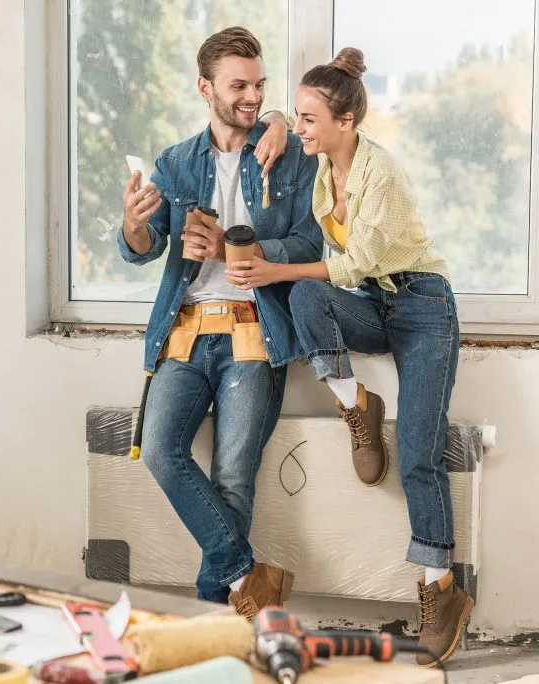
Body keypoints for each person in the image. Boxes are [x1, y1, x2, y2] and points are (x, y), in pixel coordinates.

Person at [225, 48, 471, 665]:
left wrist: (271, 269)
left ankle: (440, 589)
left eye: (311, 120)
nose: (300, 130)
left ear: (346, 123)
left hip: (422, 308)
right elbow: (278, 118)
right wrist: (280, 118)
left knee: (418, 452)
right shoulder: (319, 162)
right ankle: (355, 403)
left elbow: (353, 262)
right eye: (300, 119)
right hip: (372, 304)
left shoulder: (378, 175)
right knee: (308, 296)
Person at [119, 26, 322, 619]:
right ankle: (247, 574)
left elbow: (311, 241)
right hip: (185, 330)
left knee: (234, 476)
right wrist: (134, 224)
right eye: (239, 86)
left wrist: (241, 249)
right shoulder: (176, 162)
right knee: (160, 450)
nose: (252, 97)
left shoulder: (286, 152)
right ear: (205, 87)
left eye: (260, 85)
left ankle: (214, 615)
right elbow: (143, 245)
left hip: (255, 331)